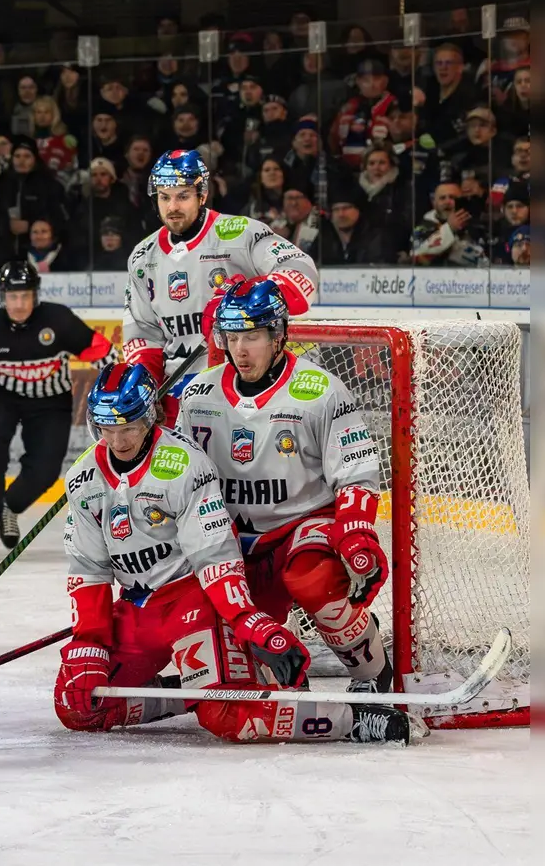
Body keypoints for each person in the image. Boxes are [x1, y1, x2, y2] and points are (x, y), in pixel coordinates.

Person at [53, 363, 414, 743]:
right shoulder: (83, 478)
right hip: (138, 607)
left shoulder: (185, 465)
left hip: (190, 603)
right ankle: (186, 693)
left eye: (128, 427)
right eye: (107, 429)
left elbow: (214, 559)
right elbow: (89, 568)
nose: (118, 441)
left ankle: (352, 719)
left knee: (228, 715)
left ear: (149, 417)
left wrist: (247, 621)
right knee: (79, 707)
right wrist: (87, 642)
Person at [178, 281, 395, 694]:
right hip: (235, 543)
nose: (240, 350)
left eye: (253, 337)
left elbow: (355, 472)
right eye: (233, 337)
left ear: (278, 336)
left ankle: (372, 674)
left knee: (314, 583)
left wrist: (356, 533)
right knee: (256, 672)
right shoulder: (198, 395)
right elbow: (186, 487)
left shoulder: (318, 391)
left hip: (302, 526)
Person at [121, 149, 319, 423]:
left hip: (244, 383)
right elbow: (142, 334)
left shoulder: (239, 232)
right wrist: (146, 391)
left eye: (182, 196)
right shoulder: (144, 255)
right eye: (164, 197)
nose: (172, 207)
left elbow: (301, 270)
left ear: (202, 195)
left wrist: (245, 301)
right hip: (178, 393)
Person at [0, 261, 115, 556]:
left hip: (50, 401)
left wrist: (122, 385)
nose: (19, 304)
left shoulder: (58, 319)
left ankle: (9, 507)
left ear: (35, 295)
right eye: (13, 297)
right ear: (3, 297)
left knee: (47, 468)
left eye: (25, 296)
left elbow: (103, 353)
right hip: (1, 397)